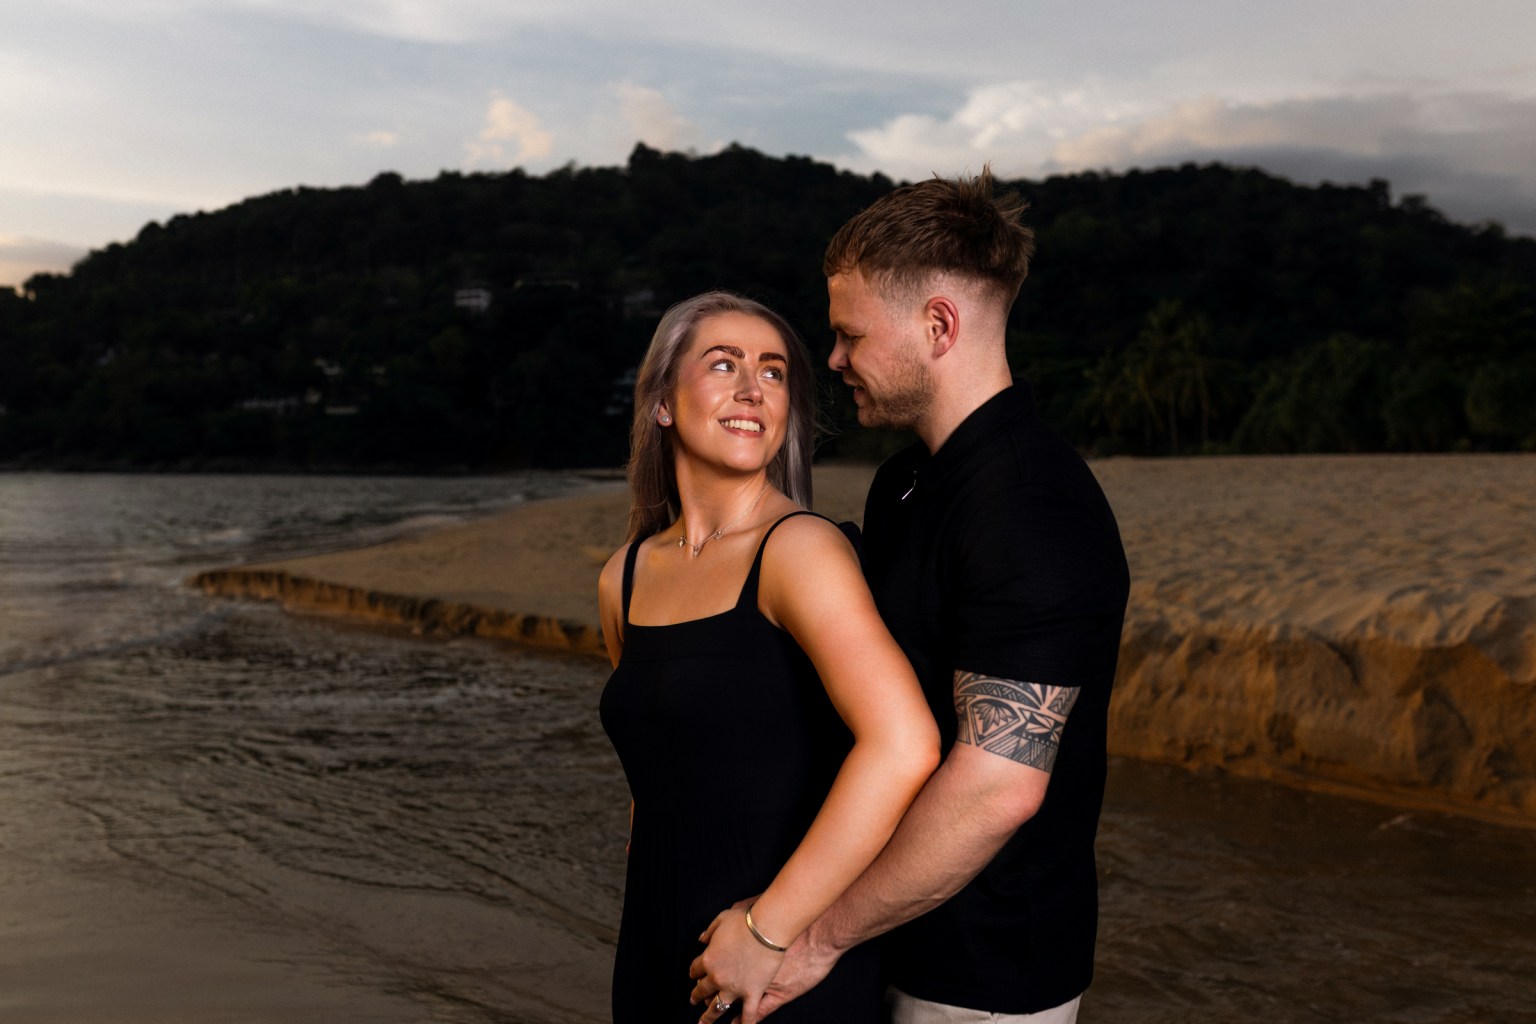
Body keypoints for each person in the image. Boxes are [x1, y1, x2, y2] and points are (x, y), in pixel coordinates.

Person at [751, 172, 1131, 1024]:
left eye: (849, 335)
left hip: (982, 976)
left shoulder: (1034, 507)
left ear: (939, 325)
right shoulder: (908, 484)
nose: (836, 358)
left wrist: (812, 940)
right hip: (884, 937)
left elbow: (999, 789)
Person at [598, 290, 939, 1023]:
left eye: (775, 372)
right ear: (661, 401)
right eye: (724, 365)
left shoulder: (801, 551)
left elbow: (904, 745)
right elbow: (657, 770)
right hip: (658, 953)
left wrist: (766, 929)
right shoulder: (624, 575)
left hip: (770, 971)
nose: (754, 389)